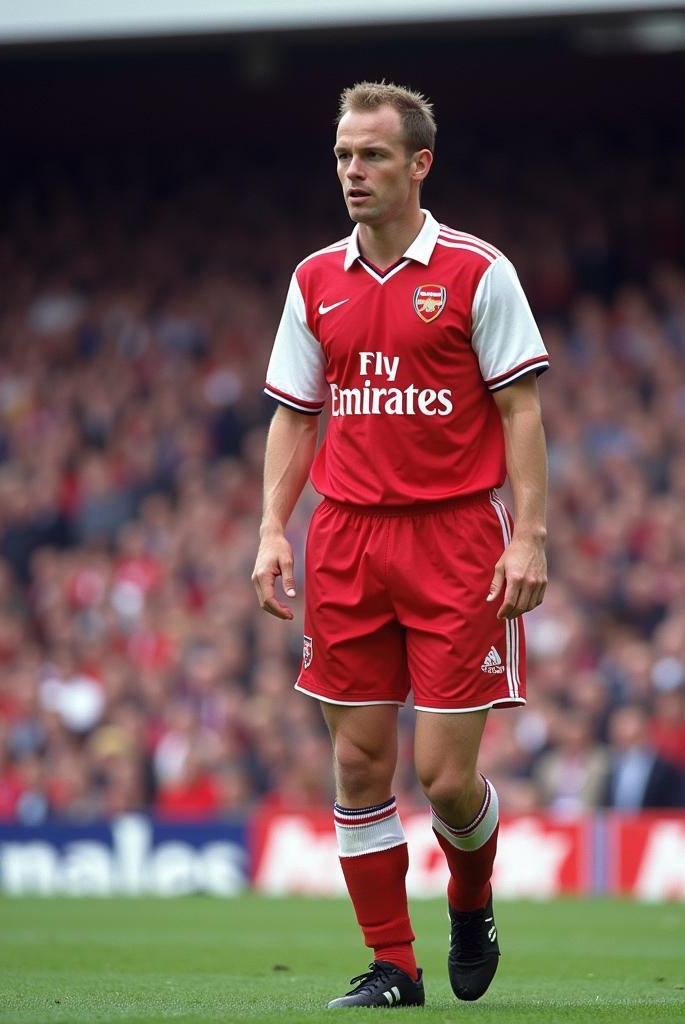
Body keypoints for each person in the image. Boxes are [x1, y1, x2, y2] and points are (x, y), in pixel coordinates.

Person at [252, 81, 549, 1009]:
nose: (354, 172)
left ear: (419, 163)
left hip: (457, 536)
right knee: (358, 763)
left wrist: (529, 536)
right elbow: (295, 418)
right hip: (346, 536)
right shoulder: (314, 280)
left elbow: (521, 408)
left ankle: (471, 899)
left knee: (446, 779)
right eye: (344, 155)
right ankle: (394, 965)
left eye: (373, 155)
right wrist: (271, 527)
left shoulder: (476, 271)